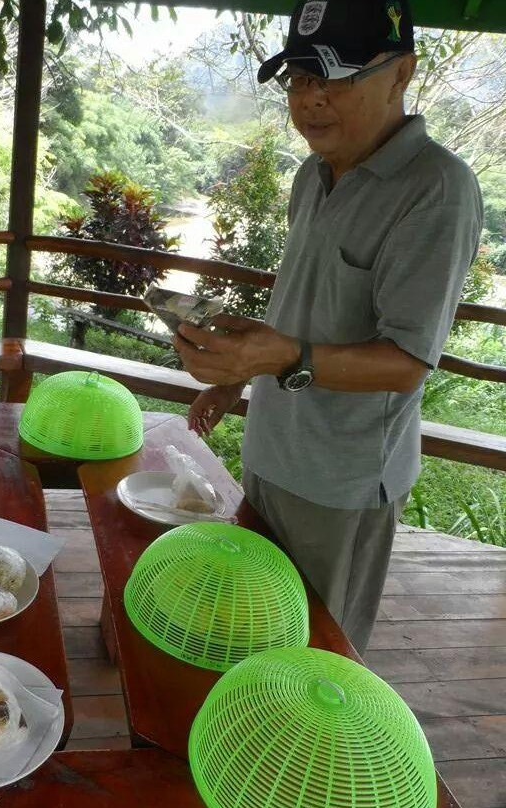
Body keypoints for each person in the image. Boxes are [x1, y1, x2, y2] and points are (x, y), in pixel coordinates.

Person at [173, 0, 483, 655]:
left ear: (403, 73)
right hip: (271, 454)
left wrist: (278, 355)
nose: (312, 99)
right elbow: (303, 321)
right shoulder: (312, 175)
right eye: (299, 78)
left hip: (340, 484)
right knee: (255, 635)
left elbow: (406, 362)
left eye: (337, 76)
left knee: (315, 655)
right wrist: (238, 371)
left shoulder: (437, 190)